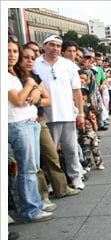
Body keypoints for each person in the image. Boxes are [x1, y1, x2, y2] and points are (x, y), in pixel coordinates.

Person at [20, 46, 80, 201]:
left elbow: (46, 99)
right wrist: (31, 88)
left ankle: (62, 187)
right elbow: (19, 100)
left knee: (53, 156)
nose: (29, 61)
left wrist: (36, 95)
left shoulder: (34, 76)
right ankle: (42, 196)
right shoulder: (15, 78)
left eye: (32, 58)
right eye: (25, 57)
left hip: (39, 120)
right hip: (22, 123)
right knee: (33, 162)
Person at [8, 36, 54, 222]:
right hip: (18, 124)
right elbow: (18, 100)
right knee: (27, 168)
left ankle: (35, 203)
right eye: (8, 51)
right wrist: (29, 85)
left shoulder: (13, 73)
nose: (11, 55)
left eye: (14, 51)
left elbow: (40, 97)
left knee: (32, 167)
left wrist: (33, 89)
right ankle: (30, 209)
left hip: (30, 121)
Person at [33, 34, 85, 190]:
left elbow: (77, 92)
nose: (55, 48)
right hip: (45, 115)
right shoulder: (36, 64)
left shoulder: (68, 65)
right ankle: (52, 181)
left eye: (57, 46)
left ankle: (76, 177)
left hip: (67, 114)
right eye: (51, 45)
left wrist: (81, 113)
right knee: (49, 153)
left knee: (71, 149)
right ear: (44, 46)